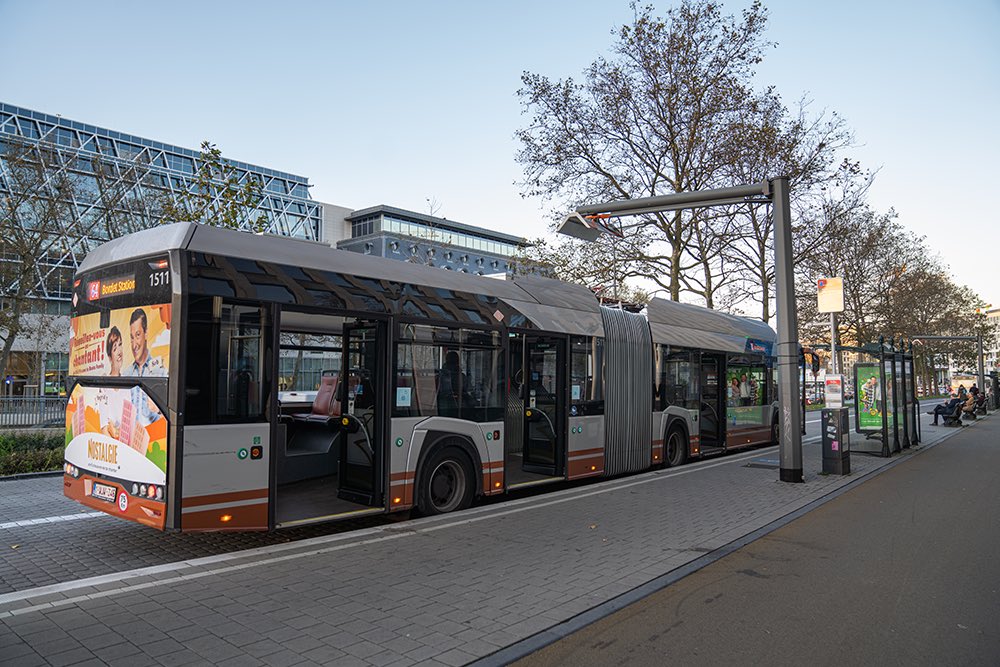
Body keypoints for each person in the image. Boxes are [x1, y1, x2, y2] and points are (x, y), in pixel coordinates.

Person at [129, 308, 165, 376]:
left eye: (138, 335)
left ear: (146, 333)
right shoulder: (126, 373)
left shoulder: (160, 371)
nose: (134, 346)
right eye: (132, 337)